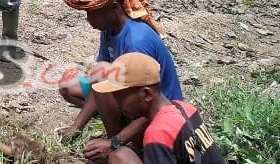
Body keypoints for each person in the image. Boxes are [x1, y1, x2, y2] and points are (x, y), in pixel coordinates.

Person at [60, 0, 183, 160]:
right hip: (130, 96)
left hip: (155, 112)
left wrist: (114, 142)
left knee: (102, 76)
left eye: (93, 12)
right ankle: (121, 131)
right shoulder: (109, 29)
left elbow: (148, 102)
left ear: (114, 8)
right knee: (71, 85)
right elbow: (99, 82)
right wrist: (76, 127)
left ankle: (124, 144)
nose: (88, 19)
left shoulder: (137, 40)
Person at [91, 53, 225, 164]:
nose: (117, 104)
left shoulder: (157, 134)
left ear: (147, 94)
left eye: (120, 97)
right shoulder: (186, 109)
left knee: (119, 157)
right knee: (120, 154)